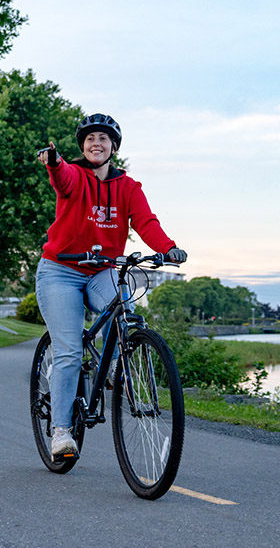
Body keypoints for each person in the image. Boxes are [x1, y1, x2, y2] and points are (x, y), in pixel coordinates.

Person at [35, 113, 186, 458]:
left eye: (103, 139)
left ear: (113, 147)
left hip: (102, 269)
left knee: (123, 307)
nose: (96, 144)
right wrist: (54, 162)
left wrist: (167, 248)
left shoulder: (129, 188)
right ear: (83, 147)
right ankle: (61, 432)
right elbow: (63, 179)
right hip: (61, 269)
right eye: (90, 139)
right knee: (70, 351)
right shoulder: (75, 176)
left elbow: (146, 222)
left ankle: (116, 366)